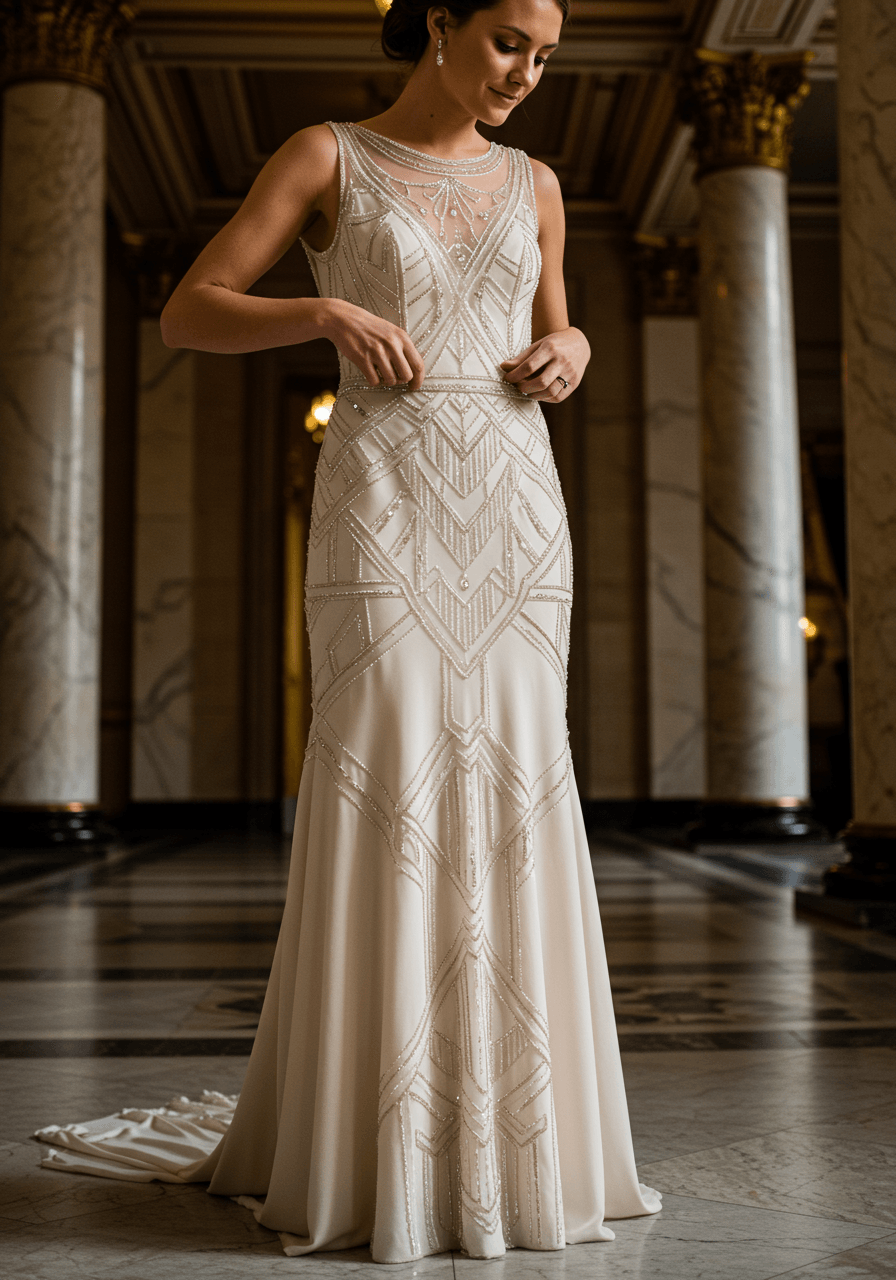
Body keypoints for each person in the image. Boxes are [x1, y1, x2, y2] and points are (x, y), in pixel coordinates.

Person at [33, 0, 662, 1261]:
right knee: (387, 773)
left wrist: (575, 346)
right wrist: (320, 316)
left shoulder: (534, 182)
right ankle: (374, 1138)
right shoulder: (328, 156)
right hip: (383, 508)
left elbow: (552, 320)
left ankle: (520, 1142)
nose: (526, 76)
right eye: (505, 44)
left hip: (516, 512)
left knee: (516, 785)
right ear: (437, 23)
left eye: (545, 58)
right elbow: (190, 310)